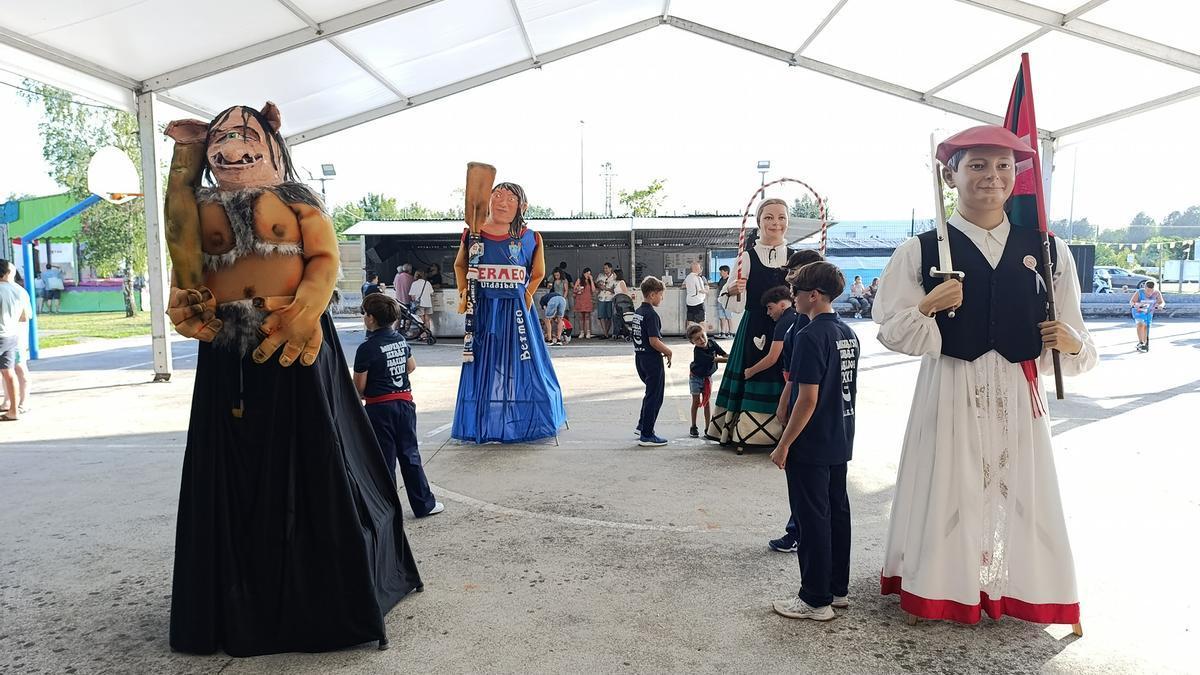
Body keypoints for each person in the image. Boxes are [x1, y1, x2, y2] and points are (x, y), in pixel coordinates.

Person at [161, 103, 422, 655]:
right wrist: (182, 164)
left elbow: (325, 261)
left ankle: (319, 590)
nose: (231, 145)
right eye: (221, 137)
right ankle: (233, 590)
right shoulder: (201, 203)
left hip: (295, 344)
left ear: (274, 146)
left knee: (312, 458)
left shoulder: (300, 200)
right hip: (226, 349)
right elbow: (183, 245)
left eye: (246, 133)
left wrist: (306, 309)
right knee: (228, 462)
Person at [874, 125, 1096, 627]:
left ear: (1016, 178)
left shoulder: (1047, 250)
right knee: (950, 485)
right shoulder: (921, 250)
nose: (991, 177)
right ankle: (944, 587)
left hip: (1017, 394)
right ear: (951, 176)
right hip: (951, 385)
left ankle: (1018, 587)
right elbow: (892, 329)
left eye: (1002, 167)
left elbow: (1076, 335)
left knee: (1020, 489)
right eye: (976, 165)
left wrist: (1070, 343)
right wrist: (928, 308)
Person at [769, 261, 858, 621]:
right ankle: (837, 589)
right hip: (840, 435)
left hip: (812, 440)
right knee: (837, 512)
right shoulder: (847, 333)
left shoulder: (808, 336)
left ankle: (814, 598)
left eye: (797, 293)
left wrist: (784, 444)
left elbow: (807, 399)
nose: (793, 298)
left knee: (812, 518)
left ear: (814, 296)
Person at [451, 181, 566, 444]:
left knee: (526, 363)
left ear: (522, 206)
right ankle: (480, 421)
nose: (502, 202)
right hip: (482, 311)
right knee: (480, 364)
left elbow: (537, 273)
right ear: (488, 200)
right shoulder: (473, 234)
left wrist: (524, 299)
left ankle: (534, 419)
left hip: (515, 312)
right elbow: (461, 265)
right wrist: (465, 295)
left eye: (511, 198)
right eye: (497, 195)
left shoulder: (531, 237)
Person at [707, 198, 794, 450]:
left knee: (789, 374)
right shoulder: (746, 257)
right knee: (757, 370)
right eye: (768, 217)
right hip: (755, 325)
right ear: (759, 222)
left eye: (781, 217)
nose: (775, 223)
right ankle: (746, 433)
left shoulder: (796, 257)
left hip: (790, 328)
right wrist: (733, 289)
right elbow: (730, 301)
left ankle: (789, 433)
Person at [354, 293, 444, 517]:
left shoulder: (366, 349)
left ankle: (387, 509)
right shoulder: (400, 340)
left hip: (378, 409)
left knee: (384, 459)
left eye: (365, 314)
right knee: (410, 454)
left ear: (372, 319)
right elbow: (411, 366)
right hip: (404, 405)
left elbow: (359, 387)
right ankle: (424, 504)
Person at [767, 251, 825, 553]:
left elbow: (805, 383)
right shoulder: (803, 319)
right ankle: (798, 528)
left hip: (808, 402)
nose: (792, 281)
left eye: (797, 275)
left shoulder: (812, 325)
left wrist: (783, 442)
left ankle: (801, 532)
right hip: (800, 392)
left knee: (805, 478)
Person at [633, 276, 672, 447]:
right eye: (661, 295)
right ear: (652, 294)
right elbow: (654, 341)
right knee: (655, 396)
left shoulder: (638, 313)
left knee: (649, 394)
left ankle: (642, 425)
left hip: (640, 357)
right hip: (651, 359)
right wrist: (668, 351)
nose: (661, 298)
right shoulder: (651, 314)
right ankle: (647, 435)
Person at [1, 260, 33, 422]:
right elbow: (25, 316)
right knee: (9, 371)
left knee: (15, 369)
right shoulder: (19, 290)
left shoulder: (11, 290)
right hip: (12, 334)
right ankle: (12, 405)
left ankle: (18, 403)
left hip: (9, 334)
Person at [741, 286, 796, 380]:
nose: (768, 312)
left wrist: (751, 371)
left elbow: (772, 358)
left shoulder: (784, 323)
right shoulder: (796, 316)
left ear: (782, 305)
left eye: (770, 308)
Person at [687, 324, 727, 438]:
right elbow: (717, 359)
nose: (701, 340)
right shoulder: (698, 352)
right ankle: (693, 426)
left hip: (707, 377)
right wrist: (731, 360)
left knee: (707, 402)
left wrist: (732, 356)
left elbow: (724, 354)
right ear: (692, 342)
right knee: (696, 401)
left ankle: (708, 427)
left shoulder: (712, 343)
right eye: (697, 339)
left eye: (702, 336)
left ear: (706, 333)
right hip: (696, 377)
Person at [1130, 280, 1165, 352]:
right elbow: (1131, 302)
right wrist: (1136, 304)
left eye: (1152, 291)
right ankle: (1141, 342)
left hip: (1149, 313)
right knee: (1140, 325)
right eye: (1148, 291)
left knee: (1146, 327)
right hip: (1138, 312)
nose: (1150, 293)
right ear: (1144, 287)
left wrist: (1161, 305)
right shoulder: (1139, 292)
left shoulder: (1157, 293)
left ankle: (1145, 343)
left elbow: (1161, 302)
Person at [543, 270, 569, 346]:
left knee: (553, 319)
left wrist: (564, 297)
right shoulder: (553, 280)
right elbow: (549, 285)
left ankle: (553, 338)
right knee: (559, 318)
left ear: (560, 274)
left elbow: (566, 290)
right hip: (559, 299)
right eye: (555, 275)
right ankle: (558, 337)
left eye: (557, 275)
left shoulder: (564, 280)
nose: (556, 276)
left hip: (559, 298)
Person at [595, 262, 617, 339]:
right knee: (601, 316)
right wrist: (599, 285)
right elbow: (597, 284)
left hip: (610, 298)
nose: (605, 270)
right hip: (601, 297)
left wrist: (606, 288)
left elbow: (615, 289)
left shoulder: (614, 277)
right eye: (604, 268)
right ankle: (605, 333)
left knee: (609, 316)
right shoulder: (600, 275)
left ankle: (606, 332)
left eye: (606, 268)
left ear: (610, 268)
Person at [573, 267, 596, 339]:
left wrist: (591, 280)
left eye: (589, 274)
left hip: (587, 300)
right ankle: (581, 332)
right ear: (584, 273)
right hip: (580, 299)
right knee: (580, 317)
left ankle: (588, 332)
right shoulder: (579, 280)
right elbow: (574, 289)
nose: (588, 275)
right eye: (586, 273)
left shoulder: (590, 281)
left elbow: (593, 290)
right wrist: (578, 289)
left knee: (587, 316)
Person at [684, 261, 708, 329]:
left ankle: (690, 336)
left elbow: (683, 285)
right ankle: (703, 336)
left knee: (690, 321)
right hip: (698, 302)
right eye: (700, 268)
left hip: (689, 302)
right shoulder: (698, 278)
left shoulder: (688, 277)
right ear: (698, 269)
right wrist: (707, 291)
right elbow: (701, 290)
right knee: (701, 321)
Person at [715, 265, 733, 338]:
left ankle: (731, 333)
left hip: (727, 301)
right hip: (720, 300)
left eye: (721, 271)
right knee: (721, 317)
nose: (720, 273)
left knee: (728, 317)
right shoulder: (721, 279)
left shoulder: (730, 280)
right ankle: (722, 332)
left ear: (726, 272)